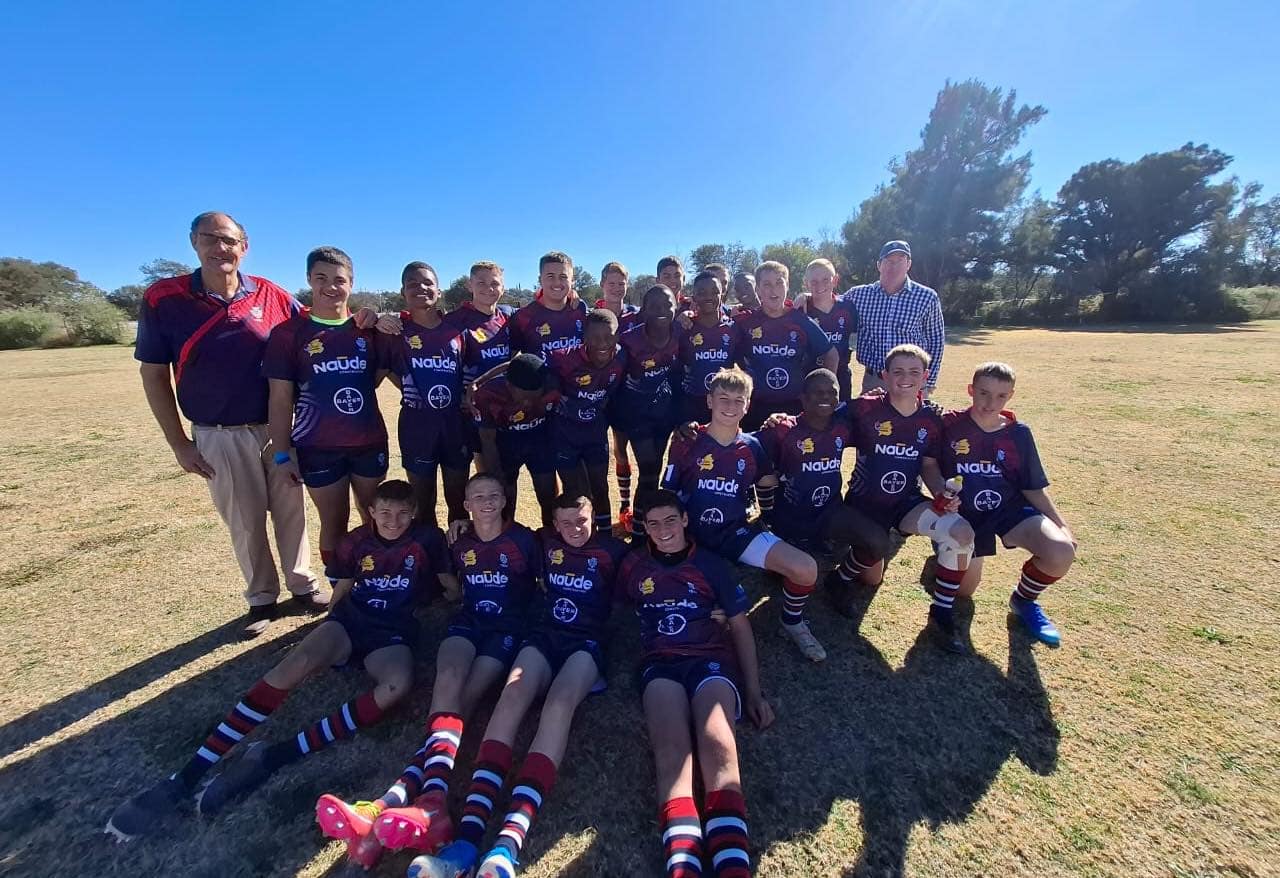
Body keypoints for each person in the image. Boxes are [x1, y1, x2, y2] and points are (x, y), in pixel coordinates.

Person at [106, 480, 451, 842]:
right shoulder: (356, 541)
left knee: (397, 685)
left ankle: (275, 755)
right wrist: (329, 628)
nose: (393, 521)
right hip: (351, 622)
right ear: (371, 513)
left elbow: (449, 585)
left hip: (393, 632)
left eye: (402, 514)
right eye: (385, 513)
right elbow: (343, 589)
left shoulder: (427, 539)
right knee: (295, 663)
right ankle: (186, 777)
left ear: (414, 513)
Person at [314, 474, 540, 869]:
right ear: (465, 504)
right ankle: (427, 802)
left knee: (465, 701)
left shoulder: (525, 540)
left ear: (506, 499)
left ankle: (390, 803)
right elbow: (446, 582)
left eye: (494, 495)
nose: (487, 502)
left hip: (506, 631)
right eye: (477, 497)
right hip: (468, 623)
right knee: (447, 682)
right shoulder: (458, 540)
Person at [402, 494, 629, 878]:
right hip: (543, 635)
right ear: (553, 524)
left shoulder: (615, 552)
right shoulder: (542, 543)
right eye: (566, 522)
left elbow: (653, 578)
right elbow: (499, 537)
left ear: (595, 517)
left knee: (558, 705)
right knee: (511, 696)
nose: (575, 528)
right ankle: (465, 843)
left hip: (585, 644)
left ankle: (508, 842)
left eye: (582, 520)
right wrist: (466, 525)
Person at [135, 211, 325, 636]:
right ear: (194, 242)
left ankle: (302, 586)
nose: (220, 248)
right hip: (219, 433)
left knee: (291, 512)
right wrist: (179, 444)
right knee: (245, 518)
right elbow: (153, 374)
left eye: (228, 240)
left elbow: (315, 328)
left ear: (244, 245)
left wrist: (366, 322)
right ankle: (261, 599)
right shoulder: (165, 298)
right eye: (209, 239)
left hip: (279, 430)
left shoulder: (272, 295)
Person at [621, 489, 773, 878]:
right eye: (653, 524)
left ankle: (732, 867)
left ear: (686, 520)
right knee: (672, 752)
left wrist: (753, 692)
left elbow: (740, 627)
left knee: (718, 743)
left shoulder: (709, 564)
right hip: (661, 663)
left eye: (671, 520)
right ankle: (683, 867)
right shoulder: (633, 565)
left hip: (709, 660)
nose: (663, 530)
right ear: (644, 528)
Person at [662, 367, 827, 662]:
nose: (730, 406)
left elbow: (767, 482)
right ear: (709, 400)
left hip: (735, 533)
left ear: (748, 405)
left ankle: (792, 622)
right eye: (723, 398)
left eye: (739, 400)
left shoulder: (752, 446)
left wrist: (780, 436)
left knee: (806, 568)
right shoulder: (687, 439)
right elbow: (668, 495)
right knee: (710, 615)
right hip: (692, 538)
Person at [822, 345, 976, 652]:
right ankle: (839, 579)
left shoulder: (932, 418)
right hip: (864, 503)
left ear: (926, 376)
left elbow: (929, 466)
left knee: (961, 532)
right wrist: (781, 421)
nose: (906, 378)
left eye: (914, 372)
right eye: (898, 371)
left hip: (905, 502)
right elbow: (820, 418)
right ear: (884, 375)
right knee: (871, 577)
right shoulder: (865, 408)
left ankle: (941, 613)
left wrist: (941, 492)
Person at [263, 246, 394, 576]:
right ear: (309, 279)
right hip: (317, 445)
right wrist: (282, 454)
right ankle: (338, 583)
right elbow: (280, 399)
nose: (331, 287)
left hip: (368, 442)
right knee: (334, 521)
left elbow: (374, 379)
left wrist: (378, 317)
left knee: (374, 517)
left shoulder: (367, 330)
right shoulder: (289, 333)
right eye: (321, 278)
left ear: (351, 283)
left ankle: (375, 580)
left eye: (339, 280)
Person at [940, 361, 1077, 646]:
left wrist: (1062, 525)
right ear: (970, 390)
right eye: (984, 393)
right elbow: (929, 464)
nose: (991, 403)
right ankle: (945, 555)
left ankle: (1024, 600)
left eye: (1001, 396)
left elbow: (1033, 488)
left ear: (1011, 396)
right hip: (965, 515)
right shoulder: (950, 425)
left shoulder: (1019, 434)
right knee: (965, 591)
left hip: (1008, 510)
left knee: (1061, 551)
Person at [753, 368, 891, 561]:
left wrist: (878, 398)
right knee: (799, 569)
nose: (825, 397)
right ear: (803, 398)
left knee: (878, 542)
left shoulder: (843, 425)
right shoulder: (784, 428)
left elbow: (877, 405)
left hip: (830, 511)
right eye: (818, 392)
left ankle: (840, 575)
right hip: (792, 516)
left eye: (832, 392)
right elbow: (746, 447)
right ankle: (781, 535)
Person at [386, 261, 469, 528]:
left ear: (439, 291)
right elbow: (383, 370)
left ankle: (459, 551)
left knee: (458, 501)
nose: (420, 288)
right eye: (412, 284)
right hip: (417, 425)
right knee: (422, 504)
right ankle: (428, 553)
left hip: (455, 424)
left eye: (427, 283)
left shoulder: (456, 329)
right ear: (403, 292)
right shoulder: (394, 331)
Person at [611, 284, 682, 541]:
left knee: (654, 471)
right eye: (654, 306)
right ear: (643, 311)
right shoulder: (629, 341)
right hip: (635, 414)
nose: (661, 311)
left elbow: (678, 374)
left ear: (676, 307)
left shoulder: (680, 333)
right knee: (649, 472)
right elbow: (614, 378)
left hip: (663, 413)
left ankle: (644, 527)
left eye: (667, 305)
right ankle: (640, 534)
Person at [730, 261, 836, 431]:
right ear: (758, 290)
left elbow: (831, 353)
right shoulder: (745, 322)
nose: (774, 290)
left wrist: (826, 389)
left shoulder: (800, 320)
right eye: (767, 284)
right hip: (755, 407)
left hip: (795, 406)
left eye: (779, 283)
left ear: (787, 286)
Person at [549, 310, 625, 533]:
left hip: (595, 434)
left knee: (600, 487)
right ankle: (579, 538)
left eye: (608, 337)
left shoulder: (622, 357)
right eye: (595, 338)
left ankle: (605, 536)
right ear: (584, 338)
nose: (602, 344)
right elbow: (523, 366)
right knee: (574, 491)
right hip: (565, 436)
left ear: (617, 336)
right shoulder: (563, 358)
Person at [841, 240, 945, 395]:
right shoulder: (859, 295)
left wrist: (928, 382)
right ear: (879, 265)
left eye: (900, 261)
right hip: (874, 381)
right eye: (889, 261)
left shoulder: (927, 297)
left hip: (911, 381)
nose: (894, 266)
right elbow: (829, 303)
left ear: (908, 264)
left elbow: (936, 340)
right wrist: (807, 297)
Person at [470, 354, 561, 527]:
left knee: (548, 495)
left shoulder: (552, 383)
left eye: (534, 397)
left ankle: (551, 536)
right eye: (524, 397)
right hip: (506, 443)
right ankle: (506, 535)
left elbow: (527, 363)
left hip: (539, 439)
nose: (527, 404)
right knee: (505, 497)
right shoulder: (487, 394)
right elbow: (487, 439)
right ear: (509, 386)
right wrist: (497, 478)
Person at [446, 261, 516, 469]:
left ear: (503, 287)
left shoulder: (508, 315)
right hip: (473, 409)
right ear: (470, 285)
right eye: (481, 283)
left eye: (495, 283)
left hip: (506, 405)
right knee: (486, 469)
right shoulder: (455, 320)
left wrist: (572, 296)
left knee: (507, 471)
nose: (489, 288)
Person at [509, 251, 588, 363]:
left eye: (563, 277)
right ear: (540, 280)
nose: (557, 282)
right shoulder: (523, 317)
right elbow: (513, 358)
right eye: (550, 276)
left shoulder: (580, 309)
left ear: (572, 281)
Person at [678, 271, 735, 425]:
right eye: (702, 293)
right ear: (694, 297)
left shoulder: (734, 329)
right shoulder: (684, 328)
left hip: (724, 406)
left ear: (722, 294)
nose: (708, 297)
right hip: (692, 405)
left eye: (714, 292)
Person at [800, 259, 858, 400]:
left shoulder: (848, 307)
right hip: (809, 377)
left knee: (842, 412)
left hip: (841, 377)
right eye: (814, 282)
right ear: (806, 283)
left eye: (826, 280)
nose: (820, 285)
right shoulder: (801, 309)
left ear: (835, 280)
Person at [596, 260, 640, 331]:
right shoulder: (593, 318)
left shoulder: (637, 314)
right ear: (602, 284)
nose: (617, 288)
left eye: (621, 284)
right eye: (612, 284)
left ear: (627, 286)